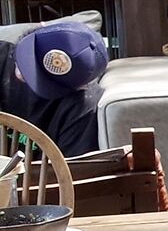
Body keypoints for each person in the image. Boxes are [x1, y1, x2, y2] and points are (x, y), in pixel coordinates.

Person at [3, 18, 107, 156]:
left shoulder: (83, 106)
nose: (24, 72)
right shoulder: (2, 55)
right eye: (29, 61)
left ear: (80, 87)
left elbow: (70, 171)